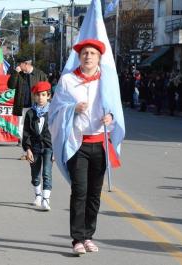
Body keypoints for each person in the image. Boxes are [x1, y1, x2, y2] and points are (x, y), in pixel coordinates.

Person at [48, 39, 123, 255]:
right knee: (79, 191)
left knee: (94, 194)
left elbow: (116, 108)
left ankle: (89, 235)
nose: (88, 56)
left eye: (92, 53)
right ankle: (77, 239)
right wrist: (73, 108)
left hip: (100, 143)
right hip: (77, 143)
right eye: (84, 53)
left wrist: (111, 117)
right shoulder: (68, 81)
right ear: (79, 57)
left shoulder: (107, 81)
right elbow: (55, 110)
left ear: (99, 57)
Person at [22, 81, 53, 211]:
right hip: (34, 147)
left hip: (48, 147)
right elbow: (26, 133)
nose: (40, 98)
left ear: (48, 96)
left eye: (43, 95)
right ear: (34, 97)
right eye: (38, 95)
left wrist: (56, 150)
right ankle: (38, 195)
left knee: (46, 172)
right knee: (35, 173)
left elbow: (57, 131)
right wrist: (27, 149)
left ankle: (46, 199)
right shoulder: (30, 113)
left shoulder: (52, 112)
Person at [7, 56, 47, 149]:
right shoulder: (19, 74)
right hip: (22, 105)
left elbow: (46, 88)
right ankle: (26, 147)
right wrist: (15, 73)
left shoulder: (39, 74)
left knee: (35, 126)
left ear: (26, 64)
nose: (18, 66)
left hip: (35, 106)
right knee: (21, 126)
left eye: (19, 64)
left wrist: (45, 103)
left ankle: (34, 146)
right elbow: (11, 85)